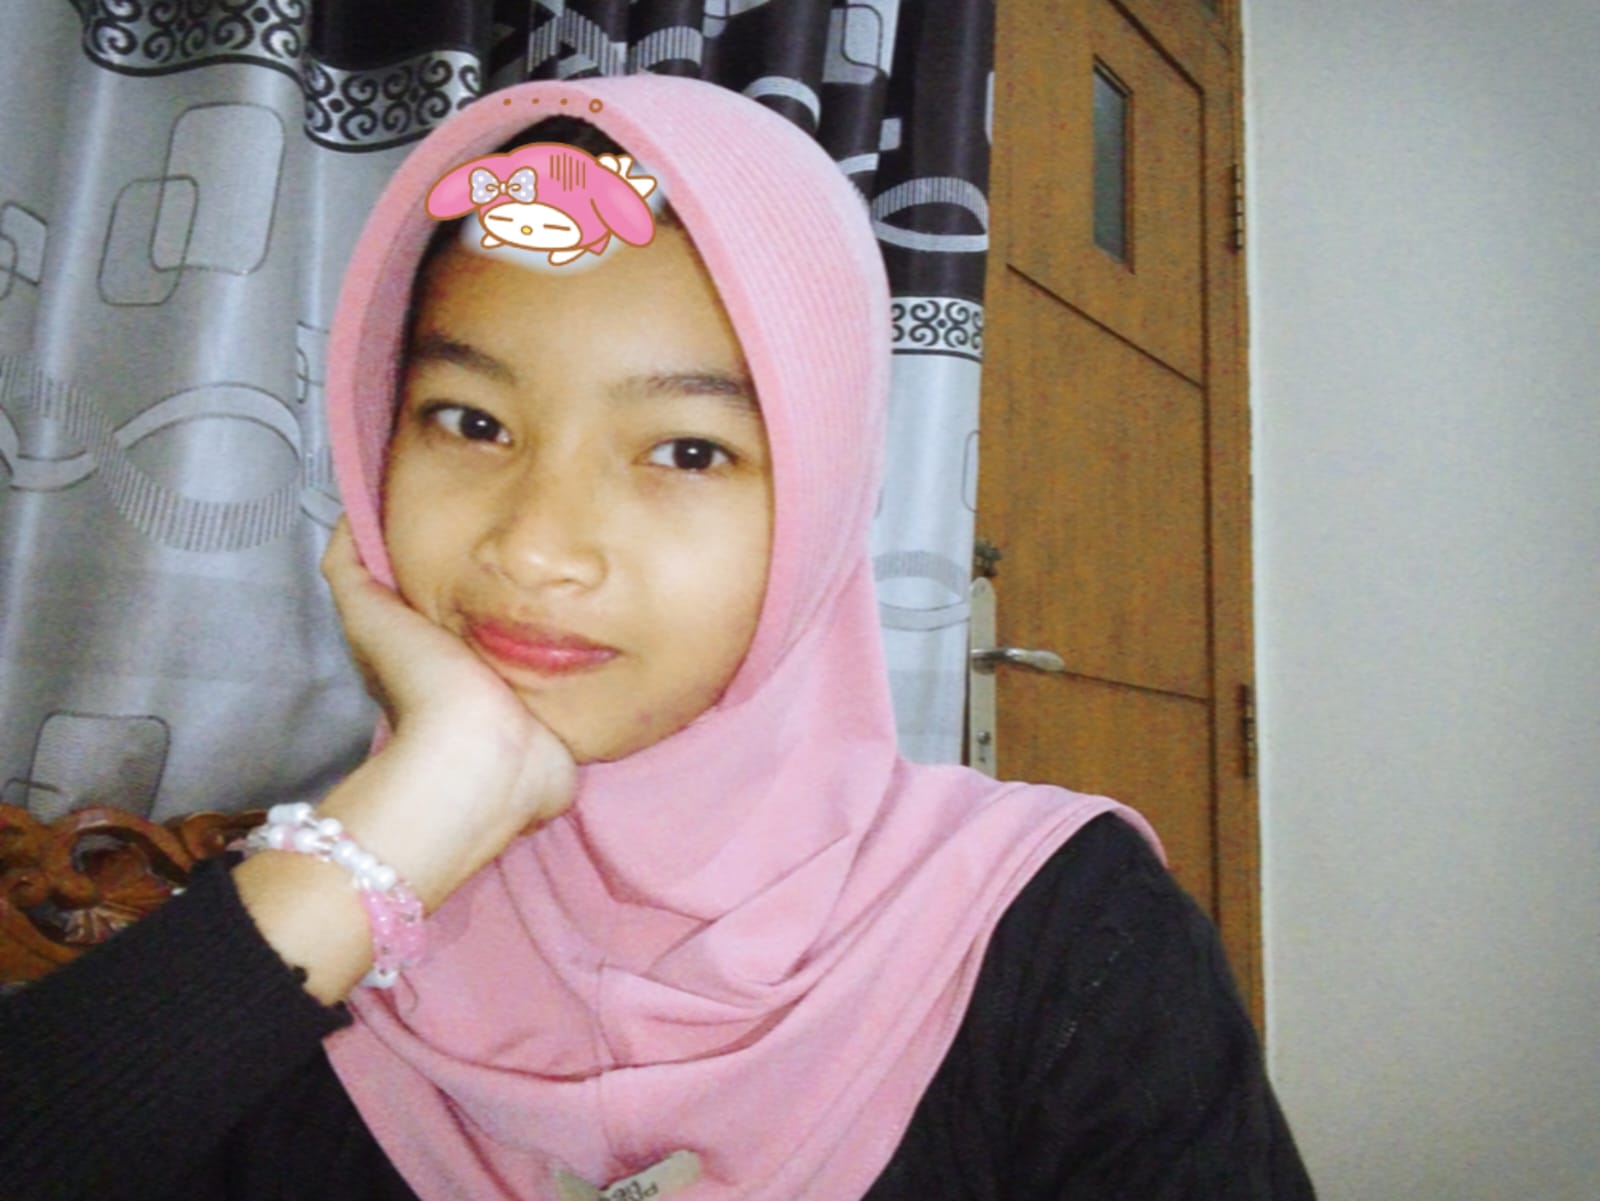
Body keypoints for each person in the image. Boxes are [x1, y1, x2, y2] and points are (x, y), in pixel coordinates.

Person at [0, 76, 1314, 1200]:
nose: (538, 546)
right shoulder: (301, 931)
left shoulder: (1056, 939)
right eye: (470, 420)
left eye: (686, 449)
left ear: (822, 501)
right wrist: (412, 817)